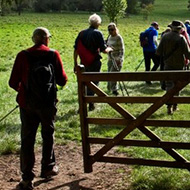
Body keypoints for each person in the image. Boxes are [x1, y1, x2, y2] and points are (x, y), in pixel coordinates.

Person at [9, 27, 68, 190]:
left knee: (27, 138)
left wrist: (25, 90)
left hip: (27, 104)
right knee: (48, 134)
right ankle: (47, 168)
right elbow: (63, 80)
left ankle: (27, 178)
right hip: (48, 104)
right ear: (45, 39)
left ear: (34, 39)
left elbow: (12, 82)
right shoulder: (53, 54)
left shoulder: (23, 55)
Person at [73, 13, 113, 111]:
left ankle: (82, 105)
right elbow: (104, 50)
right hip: (94, 61)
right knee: (94, 82)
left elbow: (76, 49)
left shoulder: (81, 33)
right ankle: (91, 103)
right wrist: (110, 49)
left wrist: (75, 63)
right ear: (98, 23)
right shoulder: (97, 33)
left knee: (84, 83)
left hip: (83, 62)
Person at [156, 20, 190, 114]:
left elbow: (158, 52)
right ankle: (175, 105)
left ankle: (169, 106)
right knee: (178, 86)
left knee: (169, 85)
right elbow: (188, 54)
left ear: (171, 28)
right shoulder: (181, 38)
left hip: (168, 65)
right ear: (179, 29)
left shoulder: (165, 37)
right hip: (179, 66)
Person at [106, 23, 125, 96]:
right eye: (109, 30)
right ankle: (109, 88)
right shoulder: (109, 37)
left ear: (115, 29)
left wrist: (119, 59)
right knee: (109, 74)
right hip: (110, 58)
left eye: (112, 29)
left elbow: (122, 49)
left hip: (117, 59)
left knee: (113, 74)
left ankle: (114, 90)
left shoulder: (118, 37)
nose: (110, 31)